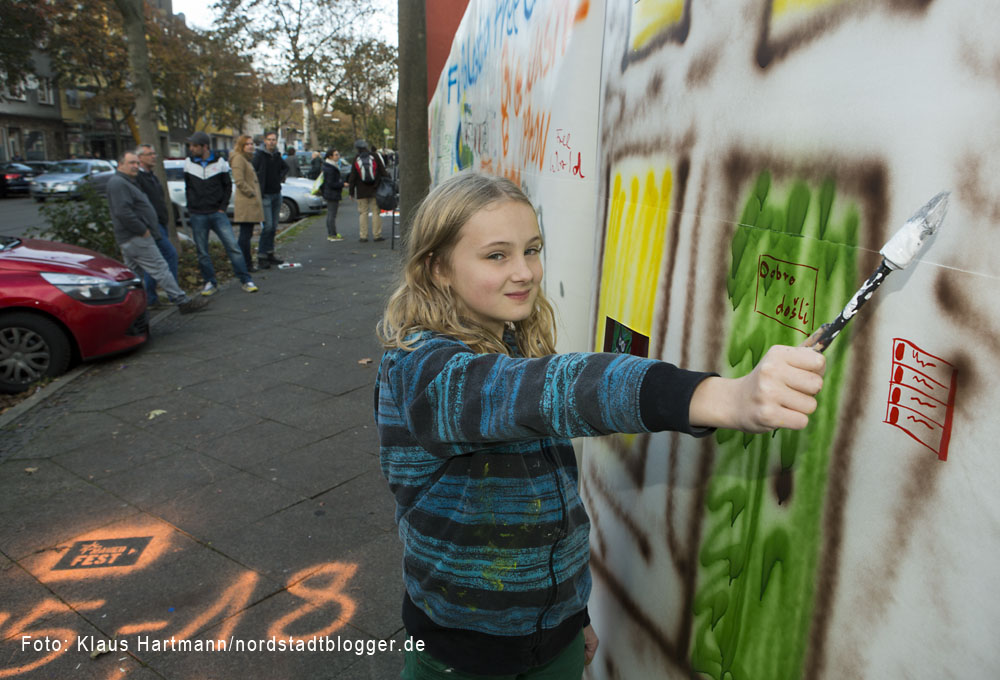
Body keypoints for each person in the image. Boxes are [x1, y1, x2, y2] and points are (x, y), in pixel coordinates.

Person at [374, 172, 827, 679]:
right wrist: (724, 397)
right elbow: (560, 389)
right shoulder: (422, 372)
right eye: (496, 255)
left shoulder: (512, 342)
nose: (525, 272)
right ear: (437, 268)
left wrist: (573, 615)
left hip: (556, 639)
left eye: (532, 249)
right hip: (461, 654)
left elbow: (554, 504)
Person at [107, 151, 204, 314]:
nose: (135, 166)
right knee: (160, 267)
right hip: (136, 237)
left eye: (137, 163)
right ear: (120, 164)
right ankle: (182, 301)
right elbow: (123, 212)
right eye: (131, 163)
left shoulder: (126, 182)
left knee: (133, 276)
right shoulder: (118, 183)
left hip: (132, 238)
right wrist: (142, 230)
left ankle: (133, 308)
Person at [183, 131, 258, 294]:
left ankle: (245, 279)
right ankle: (210, 282)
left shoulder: (220, 163)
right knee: (202, 251)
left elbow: (227, 186)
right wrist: (192, 207)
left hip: (217, 212)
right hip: (197, 213)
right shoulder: (188, 163)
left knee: (233, 247)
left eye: (195, 145)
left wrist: (222, 207)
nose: (191, 148)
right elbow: (188, 186)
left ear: (204, 147)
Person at [134, 144, 179, 307]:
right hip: (152, 226)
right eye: (149, 154)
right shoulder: (139, 178)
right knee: (170, 255)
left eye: (154, 153)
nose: (153, 157)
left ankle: (151, 298)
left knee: (153, 261)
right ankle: (175, 295)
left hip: (160, 222)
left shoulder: (151, 176)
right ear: (139, 158)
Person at [251, 131, 287, 269]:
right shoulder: (259, 156)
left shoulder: (277, 155)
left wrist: (280, 177)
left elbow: (285, 168)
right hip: (265, 194)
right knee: (268, 226)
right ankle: (262, 255)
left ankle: (270, 253)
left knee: (274, 226)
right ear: (265, 141)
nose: (272, 142)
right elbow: (253, 171)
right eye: (269, 140)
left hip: (276, 193)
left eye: (274, 140)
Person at [229, 135, 264, 272]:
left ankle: (245, 263)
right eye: (247, 144)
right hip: (246, 203)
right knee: (244, 235)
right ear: (241, 146)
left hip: (250, 202)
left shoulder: (246, 159)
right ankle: (244, 264)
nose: (251, 146)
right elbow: (239, 181)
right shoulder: (239, 159)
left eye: (252, 143)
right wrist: (251, 193)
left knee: (247, 234)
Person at [347, 139, 388, 242]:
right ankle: (377, 235)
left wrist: (351, 192)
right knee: (376, 212)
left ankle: (363, 236)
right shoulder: (374, 156)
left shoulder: (356, 159)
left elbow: (352, 177)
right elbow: (383, 171)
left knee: (363, 213)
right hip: (375, 189)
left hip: (361, 191)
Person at [321, 148, 345, 241]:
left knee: (331, 214)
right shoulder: (330, 168)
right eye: (336, 154)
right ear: (330, 156)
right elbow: (331, 183)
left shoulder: (329, 166)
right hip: (332, 193)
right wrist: (342, 184)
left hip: (329, 192)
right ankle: (332, 234)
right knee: (332, 214)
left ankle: (332, 233)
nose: (338, 156)